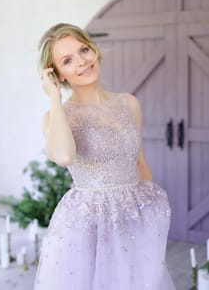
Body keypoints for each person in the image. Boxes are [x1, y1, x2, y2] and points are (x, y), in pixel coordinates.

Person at [33, 23, 176, 289]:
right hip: (86, 226)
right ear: (58, 75)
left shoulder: (128, 103)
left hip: (131, 220)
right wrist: (54, 99)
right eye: (67, 60)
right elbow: (64, 156)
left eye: (83, 50)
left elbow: (139, 162)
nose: (82, 62)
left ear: (94, 50)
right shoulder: (54, 117)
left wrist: (147, 222)